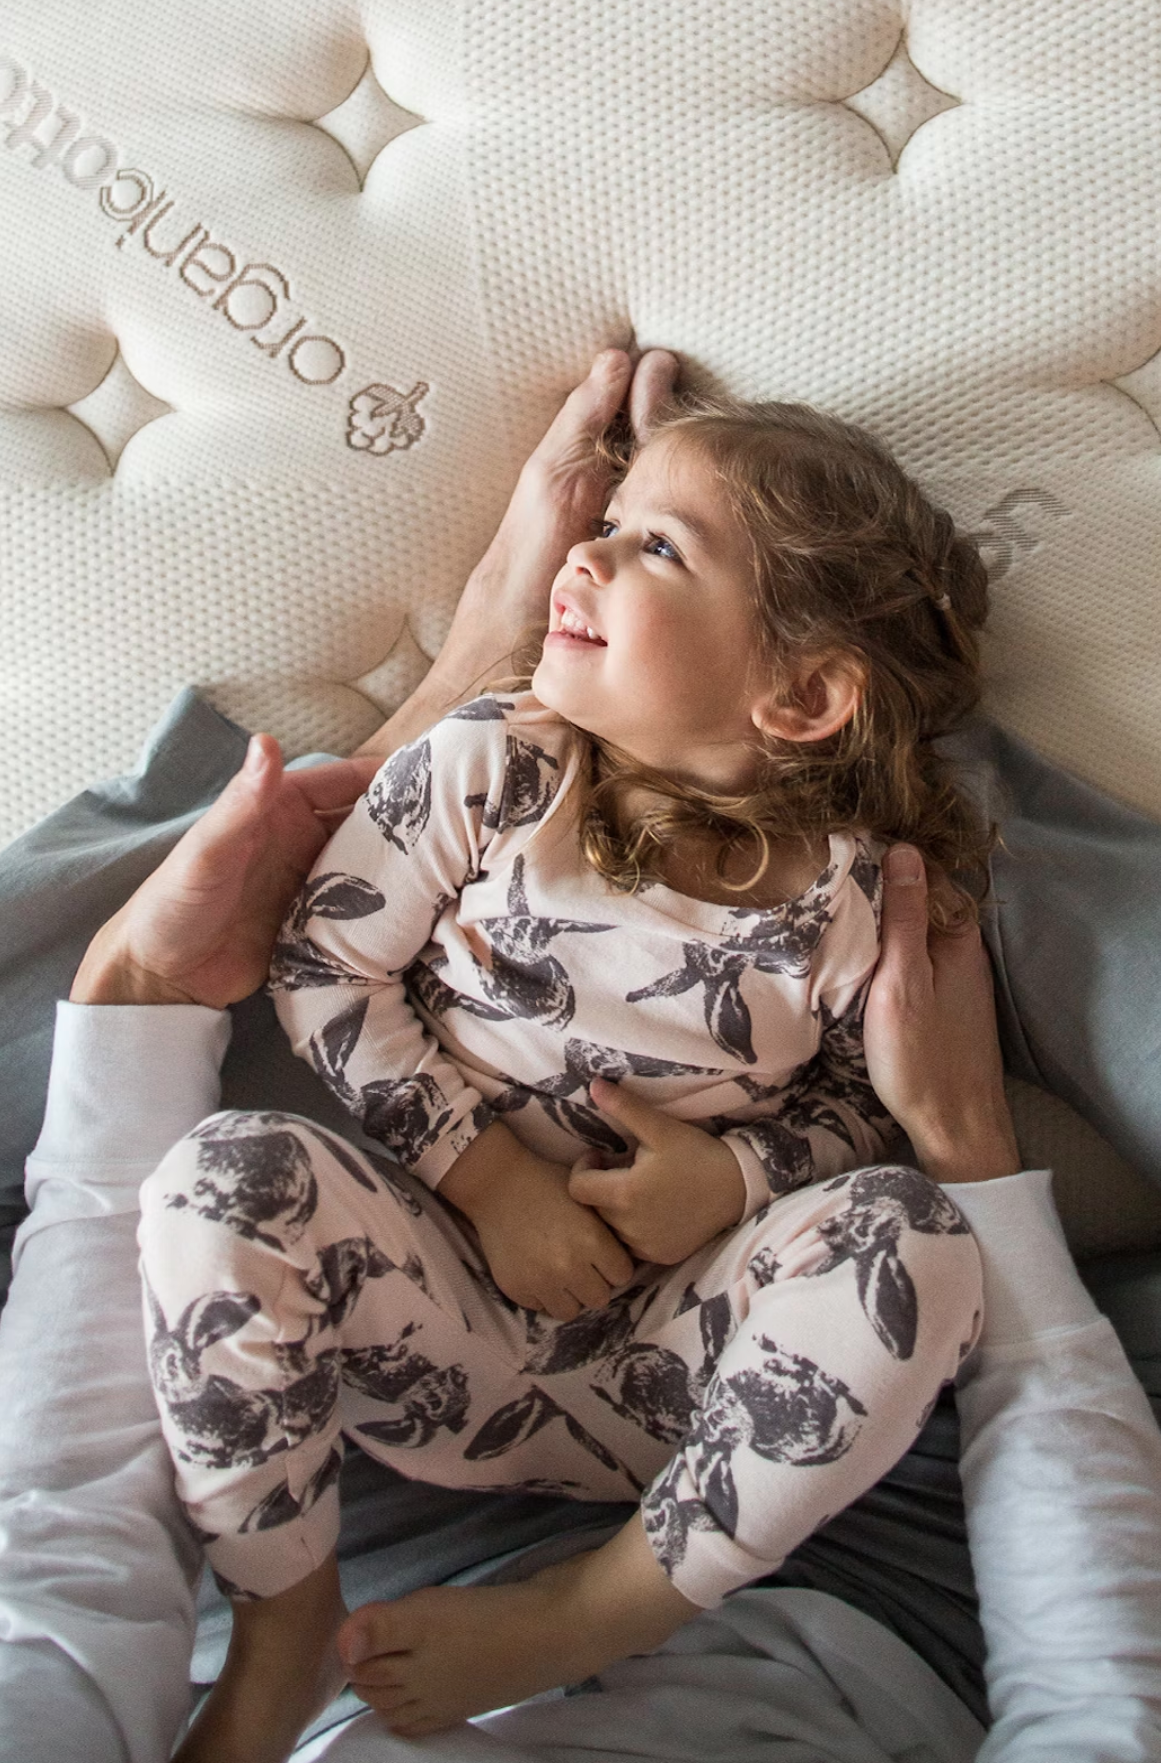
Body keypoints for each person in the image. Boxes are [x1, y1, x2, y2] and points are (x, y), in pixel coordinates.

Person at [2, 348, 1159, 1763]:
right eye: (605, 527)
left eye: (656, 546)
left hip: (677, 1389)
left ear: (802, 700)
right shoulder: (490, 765)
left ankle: (604, 1603)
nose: (589, 556)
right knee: (221, 1177)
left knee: (911, 1241)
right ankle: (283, 1618)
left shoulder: (860, 895)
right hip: (440, 1331)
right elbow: (323, 965)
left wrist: (731, 1188)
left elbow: (872, 1104)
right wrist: (489, 1181)